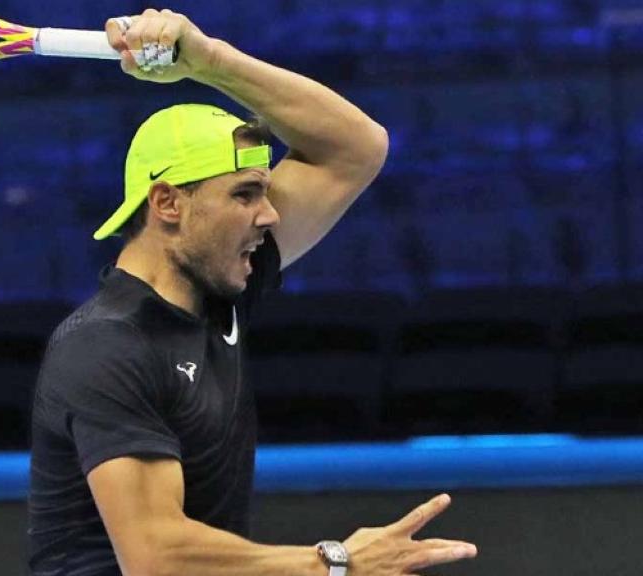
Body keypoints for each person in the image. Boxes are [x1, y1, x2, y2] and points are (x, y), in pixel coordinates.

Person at [27, 9, 478, 576]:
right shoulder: (106, 345)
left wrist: (209, 60)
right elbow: (156, 557)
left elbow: (357, 147)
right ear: (168, 204)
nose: (269, 214)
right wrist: (338, 564)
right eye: (244, 194)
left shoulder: (218, 289)